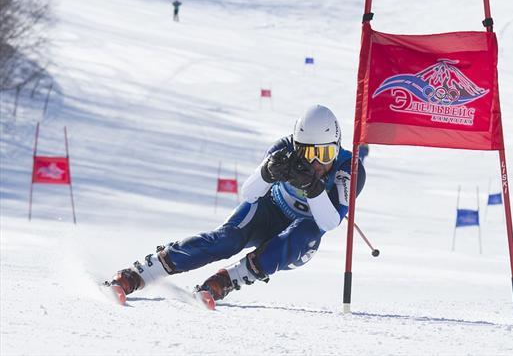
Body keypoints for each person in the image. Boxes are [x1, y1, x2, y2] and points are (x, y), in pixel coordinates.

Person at [105, 105, 367, 308]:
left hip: (298, 240)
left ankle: (226, 280)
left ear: (337, 147)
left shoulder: (349, 168)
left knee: (307, 232)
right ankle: (140, 273)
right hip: (268, 210)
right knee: (226, 239)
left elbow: (329, 223)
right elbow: (249, 194)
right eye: (309, 154)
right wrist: (267, 172)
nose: (317, 164)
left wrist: (313, 186)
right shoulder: (283, 150)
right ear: (297, 147)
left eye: (325, 154)